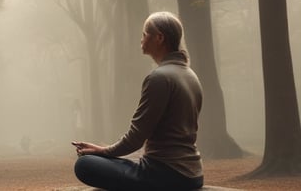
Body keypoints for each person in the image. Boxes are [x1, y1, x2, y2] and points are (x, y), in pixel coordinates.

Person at [71, 11, 204, 191]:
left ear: (159, 38)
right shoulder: (190, 75)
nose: (141, 39)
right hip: (192, 173)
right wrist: (106, 151)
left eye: (144, 34)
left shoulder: (159, 78)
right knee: (108, 159)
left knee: (84, 164)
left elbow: (136, 138)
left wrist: (102, 151)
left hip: (166, 174)